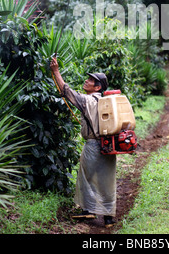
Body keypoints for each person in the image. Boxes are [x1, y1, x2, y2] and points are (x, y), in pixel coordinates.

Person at [49, 56, 116, 228]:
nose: (86, 81)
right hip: (109, 145)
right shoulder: (106, 102)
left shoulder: (87, 100)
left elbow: (66, 91)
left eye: (90, 80)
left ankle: (88, 211)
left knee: (87, 177)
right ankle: (108, 218)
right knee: (106, 180)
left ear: (98, 87)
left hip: (93, 145)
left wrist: (56, 71)